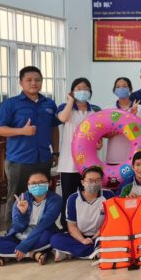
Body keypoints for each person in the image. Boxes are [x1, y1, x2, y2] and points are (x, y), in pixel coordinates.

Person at [0, 66, 60, 227]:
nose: (33, 83)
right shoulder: (10, 104)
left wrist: (55, 152)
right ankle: (12, 231)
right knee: (17, 197)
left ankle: (39, 230)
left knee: (41, 196)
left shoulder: (49, 103)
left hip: (43, 158)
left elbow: (54, 128)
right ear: (21, 83)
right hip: (19, 159)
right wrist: (21, 131)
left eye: (37, 80)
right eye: (29, 80)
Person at [0, 171, 61, 266]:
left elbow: (43, 224)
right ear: (28, 185)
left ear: (49, 183)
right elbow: (18, 228)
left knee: (50, 237)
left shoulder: (55, 200)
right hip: (19, 236)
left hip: (40, 235)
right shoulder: (21, 199)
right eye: (33, 183)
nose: (37, 185)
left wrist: (25, 245)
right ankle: (32, 254)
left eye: (42, 182)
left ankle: (10, 254)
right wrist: (22, 214)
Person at [50, 166, 115, 262]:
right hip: (79, 236)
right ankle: (95, 252)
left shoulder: (109, 196)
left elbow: (113, 219)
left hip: (101, 235)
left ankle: (74, 253)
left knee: (114, 239)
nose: (94, 183)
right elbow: (72, 226)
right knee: (55, 239)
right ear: (82, 182)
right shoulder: (73, 199)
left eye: (98, 180)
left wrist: (96, 237)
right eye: (90, 180)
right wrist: (83, 240)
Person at [55, 77, 101, 215]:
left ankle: (87, 222)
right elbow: (63, 118)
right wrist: (70, 100)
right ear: (72, 91)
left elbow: (98, 131)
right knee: (68, 196)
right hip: (69, 162)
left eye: (86, 88)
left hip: (89, 163)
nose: (83, 91)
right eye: (79, 88)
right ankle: (66, 223)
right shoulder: (65, 107)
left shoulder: (95, 110)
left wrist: (99, 142)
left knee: (89, 196)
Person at [105, 77, 141, 164]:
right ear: (114, 91)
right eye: (118, 87)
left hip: (135, 156)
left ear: (130, 89)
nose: (121, 89)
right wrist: (113, 133)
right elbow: (104, 133)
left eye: (124, 86)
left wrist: (132, 117)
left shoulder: (139, 108)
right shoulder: (108, 109)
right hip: (114, 156)